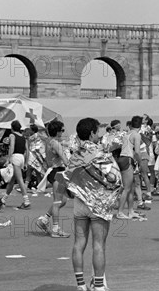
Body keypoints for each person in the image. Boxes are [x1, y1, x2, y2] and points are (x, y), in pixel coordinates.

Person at [69, 117, 122, 291]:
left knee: (79, 243)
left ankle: (80, 285)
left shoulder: (75, 155)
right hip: (99, 204)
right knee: (98, 244)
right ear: (91, 133)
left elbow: (68, 180)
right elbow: (115, 179)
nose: (99, 135)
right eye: (97, 131)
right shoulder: (102, 154)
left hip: (79, 203)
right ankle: (98, 285)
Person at [37, 120, 71, 238]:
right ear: (57, 131)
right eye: (62, 130)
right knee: (57, 202)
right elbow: (65, 159)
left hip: (54, 171)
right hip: (58, 171)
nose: (62, 132)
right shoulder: (55, 143)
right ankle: (56, 229)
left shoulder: (49, 141)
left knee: (63, 200)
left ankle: (45, 219)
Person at [1, 120, 31, 209]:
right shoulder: (23, 137)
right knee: (12, 180)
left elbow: (12, 147)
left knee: (20, 179)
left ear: (12, 128)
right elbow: (27, 151)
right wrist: (25, 162)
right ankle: (3, 199)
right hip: (22, 157)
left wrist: (8, 159)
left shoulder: (12, 135)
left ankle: (26, 201)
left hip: (15, 157)